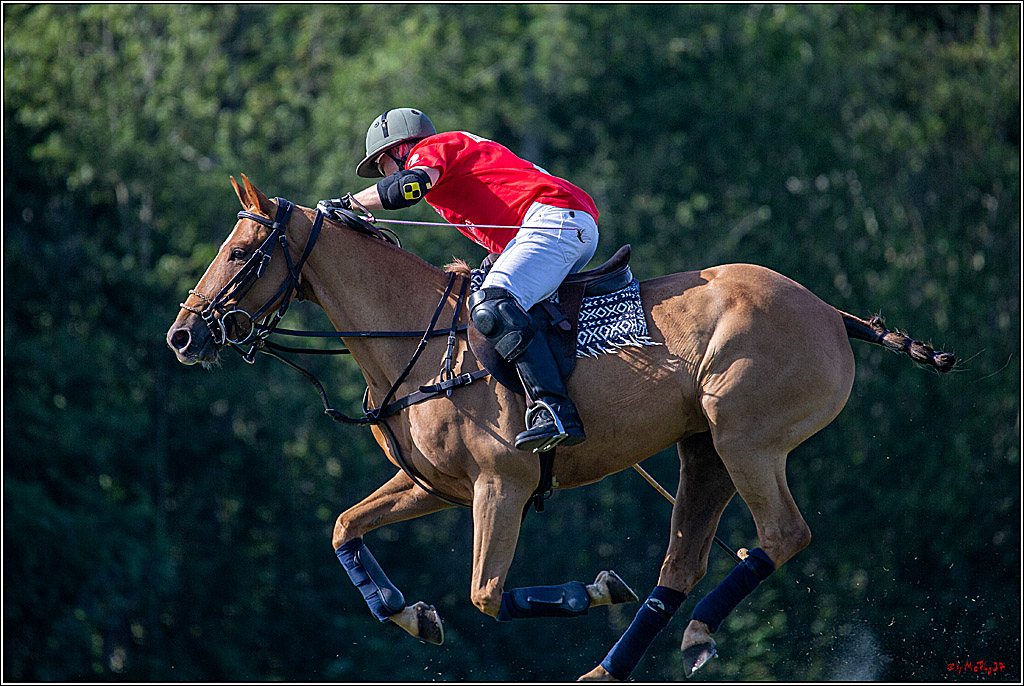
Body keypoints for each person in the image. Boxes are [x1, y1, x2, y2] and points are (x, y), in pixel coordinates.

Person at [318, 108, 600, 452]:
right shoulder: (451, 165)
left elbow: (407, 187)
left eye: (382, 164)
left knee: (493, 305)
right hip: (557, 224)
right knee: (492, 300)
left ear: (401, 148)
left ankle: (554, 410)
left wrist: (349, 203)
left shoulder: (432, 148)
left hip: (554, 221)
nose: (383, 173)